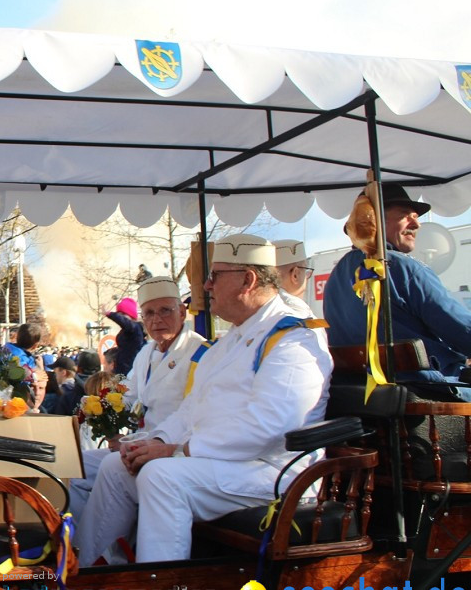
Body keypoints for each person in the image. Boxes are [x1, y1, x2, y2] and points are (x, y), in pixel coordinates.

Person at [77, 234, 331, 565]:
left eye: (215, 276)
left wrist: (177, 451)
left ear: (247, 280)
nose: (207, 286)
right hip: (225, 461)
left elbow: (270, 427)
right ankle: (82, 578)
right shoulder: (231, 341)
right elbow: (190, 410)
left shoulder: (293, 339)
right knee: (116, 466)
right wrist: (156, 440)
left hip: (271, 468)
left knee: (161, 476)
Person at [69, 276, 206, 520]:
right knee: (72, 468)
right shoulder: (146, 352)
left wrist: (141, 442)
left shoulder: (200, 352)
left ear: (182, 312)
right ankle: (84, 548)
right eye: (149, 313)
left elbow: (193, 417)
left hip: (171, 454)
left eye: (165, 311)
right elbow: (128, 396)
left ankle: (107, 553)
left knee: (111, 473)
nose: (157, 320)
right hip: (138, 446)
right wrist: (108, 424)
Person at [324, 183, 471, 400]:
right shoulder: (404, 267)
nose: (417, 224)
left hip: (358, 393)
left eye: (416, 217)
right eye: (405, 215)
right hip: (423, 390)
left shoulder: (336, 275)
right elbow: (461, 329)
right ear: (374, 221)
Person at [105, 298, 146, 376]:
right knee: (108, 387)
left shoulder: (135, 328)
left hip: (130, 372)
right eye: (118, 314)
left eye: (123, 314)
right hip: (121, 370)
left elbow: (125, 322)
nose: (119, 316)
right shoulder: (125, 330)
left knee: (114, 388)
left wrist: (110, 314)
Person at [274, 239, 314, 318]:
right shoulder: (298, 313)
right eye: (306, 271)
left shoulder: (256, 309)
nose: (307, 278)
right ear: (295, 275)